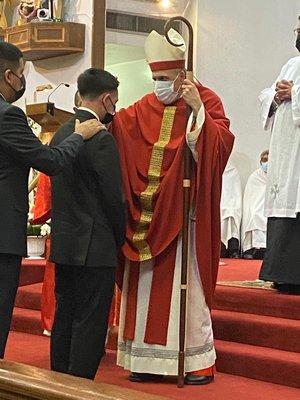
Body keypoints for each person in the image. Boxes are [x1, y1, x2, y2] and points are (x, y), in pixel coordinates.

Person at [112, 29, 234, 385]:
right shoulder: (141, 109)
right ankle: (145, 360)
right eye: (155, 78)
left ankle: (194, 360)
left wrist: (197, 112)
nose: (159, 85)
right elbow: (119, 128)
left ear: (183, 76)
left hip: (185, 216)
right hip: (146, 220)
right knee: (146, 289)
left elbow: (219, 147)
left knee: (188, 289)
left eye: (165, 78)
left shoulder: (207, 101)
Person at [0, 42, 102, 358]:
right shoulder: (8, 115)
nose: (21, 81)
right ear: (8, 75)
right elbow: (52, 161)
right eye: (20, 75)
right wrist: (78, 135)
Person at [49, 68, 126, 380]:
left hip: (66, 244)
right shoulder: (102, 140)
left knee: (64, 317)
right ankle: (78, 387)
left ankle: (55, 383)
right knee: (90, 324)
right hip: (96, 248)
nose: (116, 109)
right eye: (115, 103)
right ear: (107, 100)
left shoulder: (61, 133)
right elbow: (113, 198)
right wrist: (119, 237)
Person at [258, 16, 300, 294]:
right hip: (286, 151)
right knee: (283, 202)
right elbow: (266, 92)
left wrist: (294, 93)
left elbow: (291, 92)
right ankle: (281, 273)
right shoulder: (291, 64)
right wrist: (274, 94)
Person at [242, 151, 268, 259]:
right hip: (256, 206)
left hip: (268, 207)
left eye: (268, 160)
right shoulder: (255, 176)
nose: (267, 163)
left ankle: (265, 248)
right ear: (260, 161)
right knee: (255, 215)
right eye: (264, 160)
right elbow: (251, 196)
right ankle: (254, 248)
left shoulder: (276, 176)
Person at [220, 162, 242, 258]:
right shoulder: (211, 168)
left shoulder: (232, 171)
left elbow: (236, 192)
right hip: (217, 203)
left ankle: (233, 250)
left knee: (231, 215)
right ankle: (219, 249)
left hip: (230, 203)